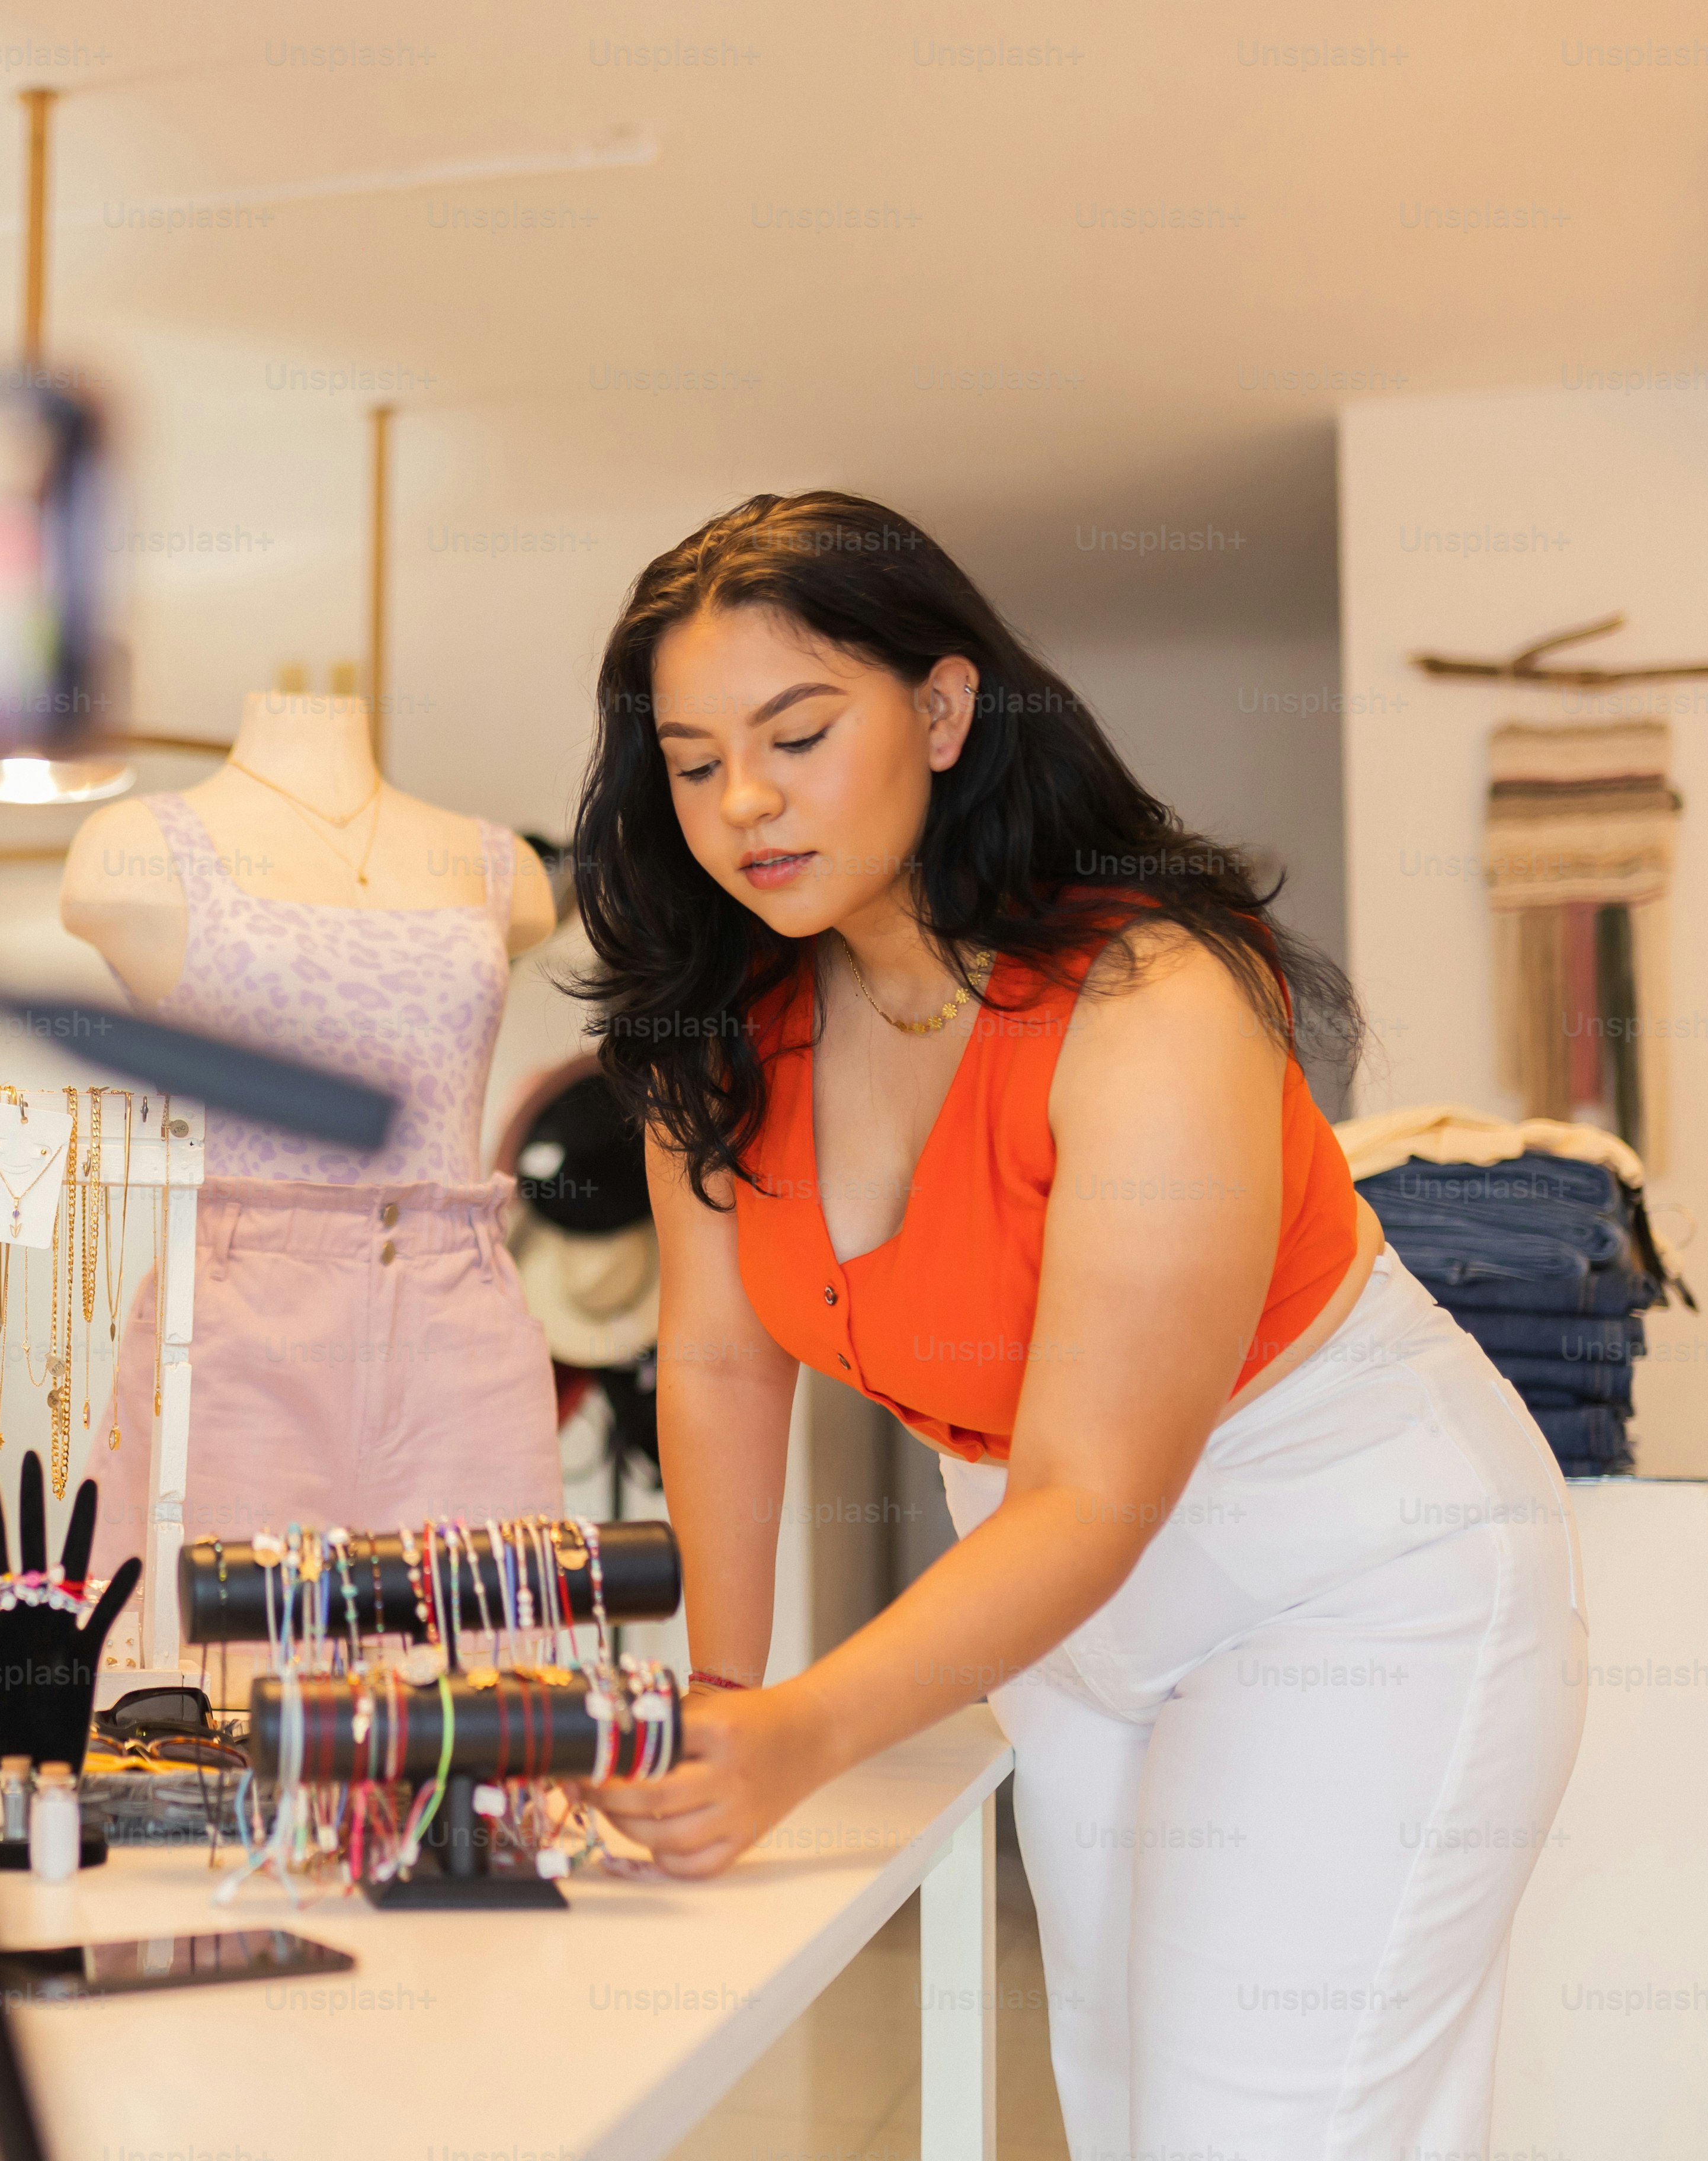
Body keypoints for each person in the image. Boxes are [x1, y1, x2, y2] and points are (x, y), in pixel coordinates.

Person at [568, 491, 1584, 2156]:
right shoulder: (720, 1026)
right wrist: (720, 1695)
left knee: (1260, 2130)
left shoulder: (1155, 997)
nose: (742, 800)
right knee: (1121, 2120)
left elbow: (1098, 1492)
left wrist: (802, 1739)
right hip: (1058, 1603)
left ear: (947, 711)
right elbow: (723, 1356)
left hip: (1348, 1563)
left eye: (796, 734)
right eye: (691, 761)